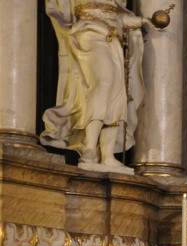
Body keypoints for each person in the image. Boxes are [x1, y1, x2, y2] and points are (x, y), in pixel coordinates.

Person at [40, 0, 151, 174]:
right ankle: (89, 148)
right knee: (103, 85)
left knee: (118, 93)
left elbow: (117, 16)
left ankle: (107, 155)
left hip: (113, 38)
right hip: (89, 32)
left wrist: (142, 21)